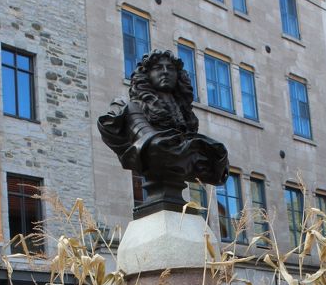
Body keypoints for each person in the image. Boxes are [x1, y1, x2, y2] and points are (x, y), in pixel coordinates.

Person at [98, 50, 229, 191]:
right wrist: (202, 148)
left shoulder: (187, 117)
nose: (165, 72)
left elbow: (220, 160)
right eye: (158, 68)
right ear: (146, 75)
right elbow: (157, 147)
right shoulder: (130, 109)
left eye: (170, 68)